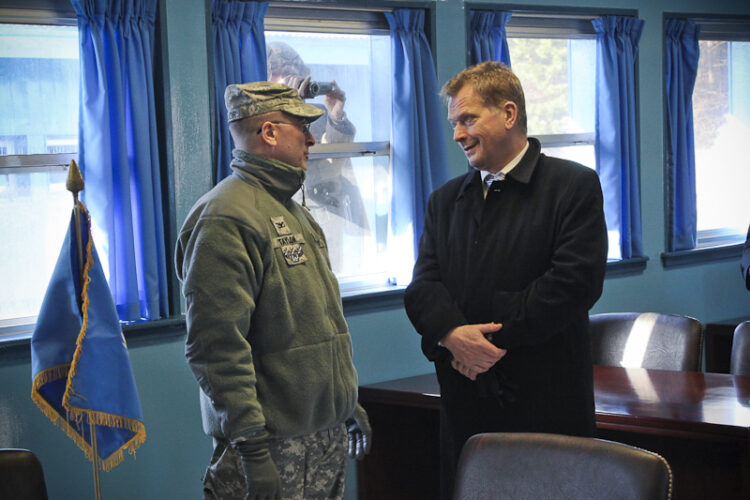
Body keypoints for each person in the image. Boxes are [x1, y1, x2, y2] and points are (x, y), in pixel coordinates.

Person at [403, 61, 608, 500]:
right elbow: (423, 287)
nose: (458, 134)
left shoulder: (572, 186)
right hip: (465, 405)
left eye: (468, 119)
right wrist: (452, 334)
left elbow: (574, 283)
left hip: (546, 401)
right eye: (455, 123)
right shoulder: (444, 201)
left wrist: (484, 343)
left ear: (509, 114)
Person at [175, 81, 371, 500]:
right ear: (269, 132)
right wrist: (251, 449)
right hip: (270, 447)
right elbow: (216, 348)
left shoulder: (291, 211)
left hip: (320, 438)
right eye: (302, 127)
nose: (311, 138)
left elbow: (316, 324)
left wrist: (344, 402)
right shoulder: (226, 217)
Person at [266, 41, 369, 276]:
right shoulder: (262, 120)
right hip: (289, 212)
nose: (290, 79)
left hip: (326, 213)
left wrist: (337, 116)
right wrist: (292, 107)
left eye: (295, 73)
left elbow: (337, 162)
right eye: (281, 73)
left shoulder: (317, 114)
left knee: (330, 278)